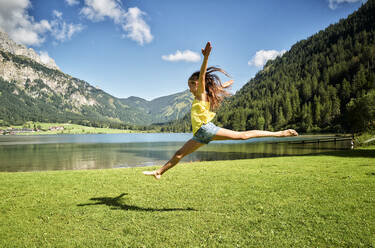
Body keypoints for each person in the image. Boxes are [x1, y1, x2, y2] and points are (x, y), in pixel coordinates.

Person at [143, 42, 298, 179]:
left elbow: (203, 75)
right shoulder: (205, 95)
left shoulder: (201, 92)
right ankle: (159, 172)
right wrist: (223, 86)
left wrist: (206, 57)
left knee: (243, 136)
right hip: (199, 135)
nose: (188, 88)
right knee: (179, 154)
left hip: (206, 129)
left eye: (190, 84)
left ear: (197, 84)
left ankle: (280, 133)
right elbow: (214, 88)